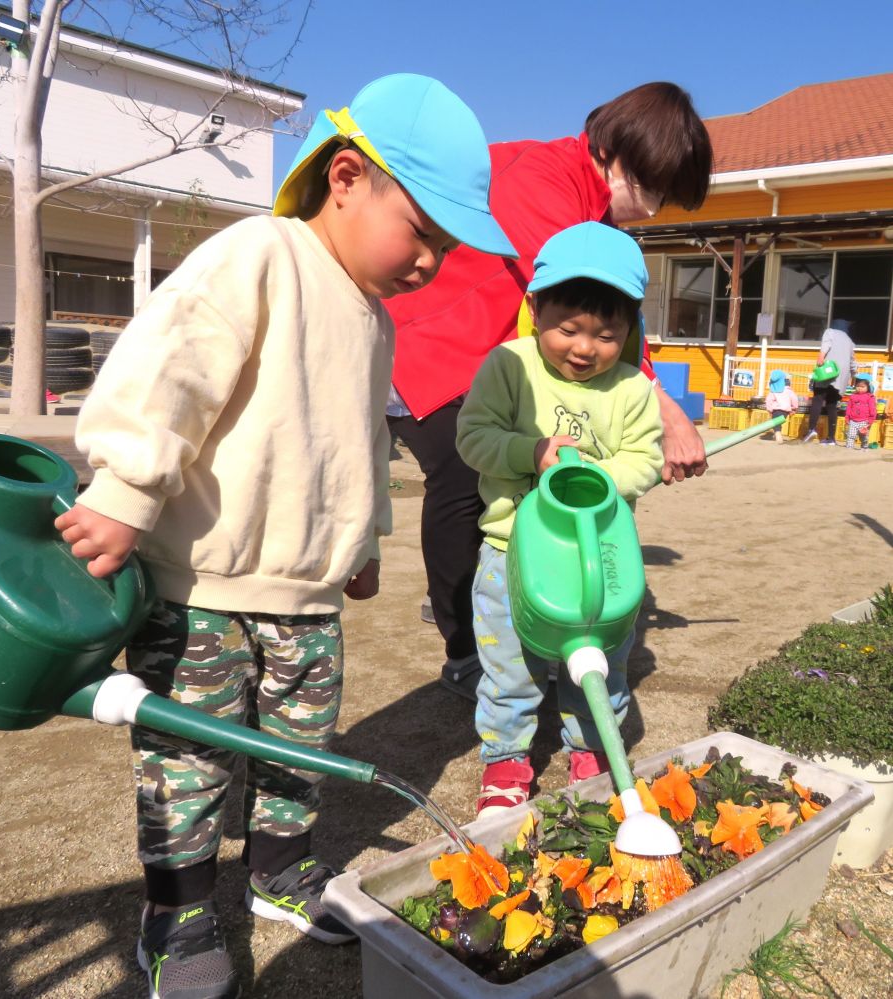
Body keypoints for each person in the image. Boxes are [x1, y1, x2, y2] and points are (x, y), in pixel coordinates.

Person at [54, 73, 515, 999]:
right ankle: (176, 913)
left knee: (298, 750)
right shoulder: (260, 255)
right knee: (186, 764)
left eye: (445, 247)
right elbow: (172, 364)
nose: (428, 261)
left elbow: (357, 441)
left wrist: (367, 537)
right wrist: (127, 484)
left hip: (306, 599)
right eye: (421, 232)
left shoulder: (376, 322)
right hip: (205, 591)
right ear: (347, 177)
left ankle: (281, 871)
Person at [385, 82, 713, 699]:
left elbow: (617, 321)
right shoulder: (543, 176)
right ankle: (464, 643)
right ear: (618, 149)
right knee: (462, 483)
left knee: (515, 490)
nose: (651, 208)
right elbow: (569, 287)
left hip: (485, 359)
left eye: (665, 198)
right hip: (432, 349)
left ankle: (513, 612)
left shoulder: (595, 209)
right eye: (651, 187)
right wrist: (667, 413)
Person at [457, 222, 663, 811]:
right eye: (568, 328)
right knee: (509, 668)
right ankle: (504, 762)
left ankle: (592, 750)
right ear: (535, 308)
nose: (584, 347)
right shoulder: (509, 366)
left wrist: (598, 480)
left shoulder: (632, 388)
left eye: (606, 334)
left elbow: (644, 459)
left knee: (597, 663)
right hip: (509, 551)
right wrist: (531, 452)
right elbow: (473, 438)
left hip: (597, 555)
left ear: (630, 331)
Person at [803, 318, 856, 445]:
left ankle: (811, 429)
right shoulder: (850, 341)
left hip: (828, 372)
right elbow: (853, 361)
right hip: (841, 378)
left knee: (818, 399)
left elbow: (826, 345)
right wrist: (853, 376)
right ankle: (831, 438)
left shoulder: (830, 332)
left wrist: (821, 357)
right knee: (832, 406)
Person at [765, 369, 799, 443]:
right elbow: (795, 399)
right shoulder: (790, 391)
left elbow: (768, 400)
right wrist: (794, 409)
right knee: (778, 423)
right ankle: (777, 434)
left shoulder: (774, 391)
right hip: (785, 411)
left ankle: (778, 435)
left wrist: (769, 410)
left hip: (775, 410)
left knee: (776, 423)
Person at [844, 374, 877, 450]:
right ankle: (849, 448)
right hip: (853, 420)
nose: (860, 388)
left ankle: (864, 447)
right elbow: (849, 407)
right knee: (851, 435)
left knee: (864, 437)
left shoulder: (870, 397)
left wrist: (870, 420)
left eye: (863, 387)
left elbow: (872, 409)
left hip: (864, 421)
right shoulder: (853, 396)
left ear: (868, 387)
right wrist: (847, 417)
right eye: (858, 386)